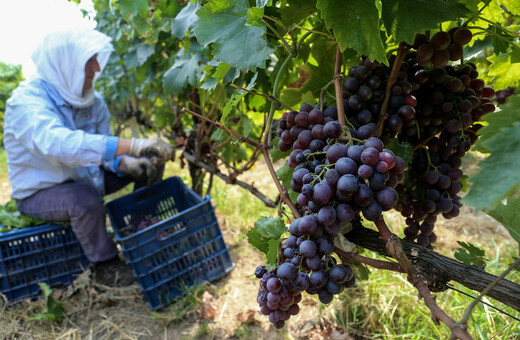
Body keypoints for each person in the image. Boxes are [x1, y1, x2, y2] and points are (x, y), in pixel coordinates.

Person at [3, 29, 175, 287]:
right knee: (84, 199)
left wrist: (124, 162)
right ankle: (106, 264)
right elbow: (61, 146)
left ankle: (141, 231)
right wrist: (135, 144)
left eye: (97, 59)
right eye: (89, 60)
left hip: (89, 177)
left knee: (149, 161)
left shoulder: (92, 102)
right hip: (41, 192)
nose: (96, 67)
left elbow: (101, 150)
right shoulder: (26, 103)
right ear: (66, 63)